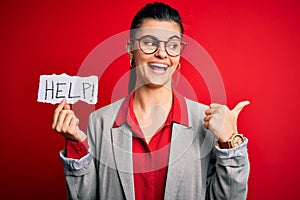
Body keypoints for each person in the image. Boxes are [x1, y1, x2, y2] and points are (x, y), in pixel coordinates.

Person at [52, 2, 250, 200]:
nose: (162, 53)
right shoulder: (99, 122)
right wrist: (77, 146)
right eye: (149, 42)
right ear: (131, 49)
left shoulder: (205, 121)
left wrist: (230, 143)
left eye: (172, 45)